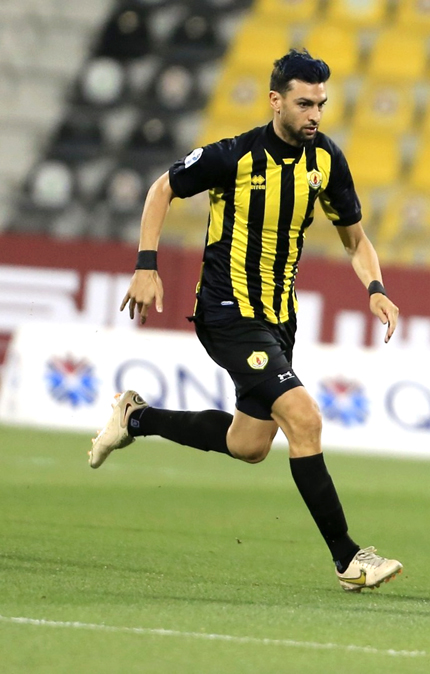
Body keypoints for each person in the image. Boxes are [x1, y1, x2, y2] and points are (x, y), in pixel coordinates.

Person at [90, 49, 403, 592]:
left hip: (280, 319)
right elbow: (162, 188)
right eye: (305, 103)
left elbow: (355, 237)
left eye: (322, 105)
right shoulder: (234, 155)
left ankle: (135, 418)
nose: (315, 115)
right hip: (228, 312)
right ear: (275, 100)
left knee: (249, 445)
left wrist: (375, 287)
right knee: (304, 418)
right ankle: (349, 559)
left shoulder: (325, 160)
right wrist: (146, 264)